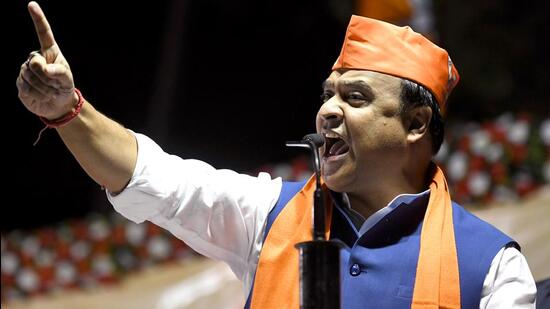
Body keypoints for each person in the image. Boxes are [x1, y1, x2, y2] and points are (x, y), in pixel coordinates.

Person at [17, 2, 537, 308]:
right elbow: (155, 180)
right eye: (326, 95)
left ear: (416, 124)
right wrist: (69, 111)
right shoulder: (266, 216)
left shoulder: (492, 268)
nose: (327, 112)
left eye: (354, 98)